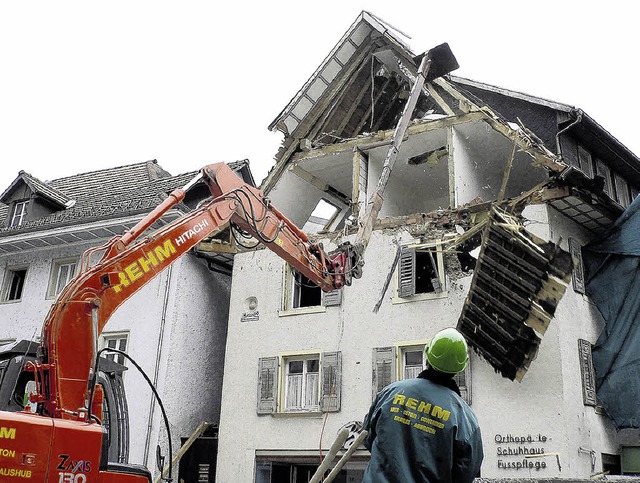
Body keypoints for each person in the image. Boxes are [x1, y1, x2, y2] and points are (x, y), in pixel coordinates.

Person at [362, 327, 483, 482]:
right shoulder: (465, 417)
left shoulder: (391, 393)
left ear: (427, 357)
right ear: (460, 368)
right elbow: (467, 472)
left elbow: (367, 438)